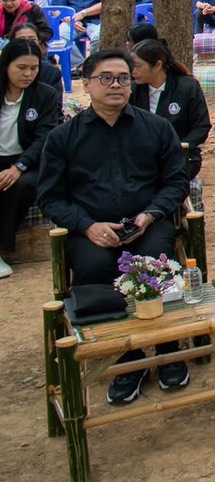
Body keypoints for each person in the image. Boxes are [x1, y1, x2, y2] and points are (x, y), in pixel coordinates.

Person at [36, 49, 188, 403]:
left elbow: (176, 182)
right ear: (87, 84)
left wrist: (151, 214)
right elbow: (50, 197)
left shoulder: (157, 128)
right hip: (93, 229)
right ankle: (127, 359)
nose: (116, 85)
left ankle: (168, 349)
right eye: (106, 78)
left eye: (123, 78)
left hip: (146, 223)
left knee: (156, 261)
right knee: (94, 267)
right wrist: (87, 226)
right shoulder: (63, 137)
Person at [0, 40, 63, 274]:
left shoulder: (44, 95)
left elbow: (44, 137)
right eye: (21, 67)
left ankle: (1, 249)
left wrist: (19, 166)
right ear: (6, 65)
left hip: (29, 161)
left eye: (34, 68)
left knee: (20, 185)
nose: (28, 74)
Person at [129, 39, 212, 182]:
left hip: (180, 157)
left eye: (138, 66)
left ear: (157, 65)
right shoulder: (133, 90)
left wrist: (179, 147)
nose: (133, 72)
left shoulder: (187, 87)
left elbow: (201, 127)